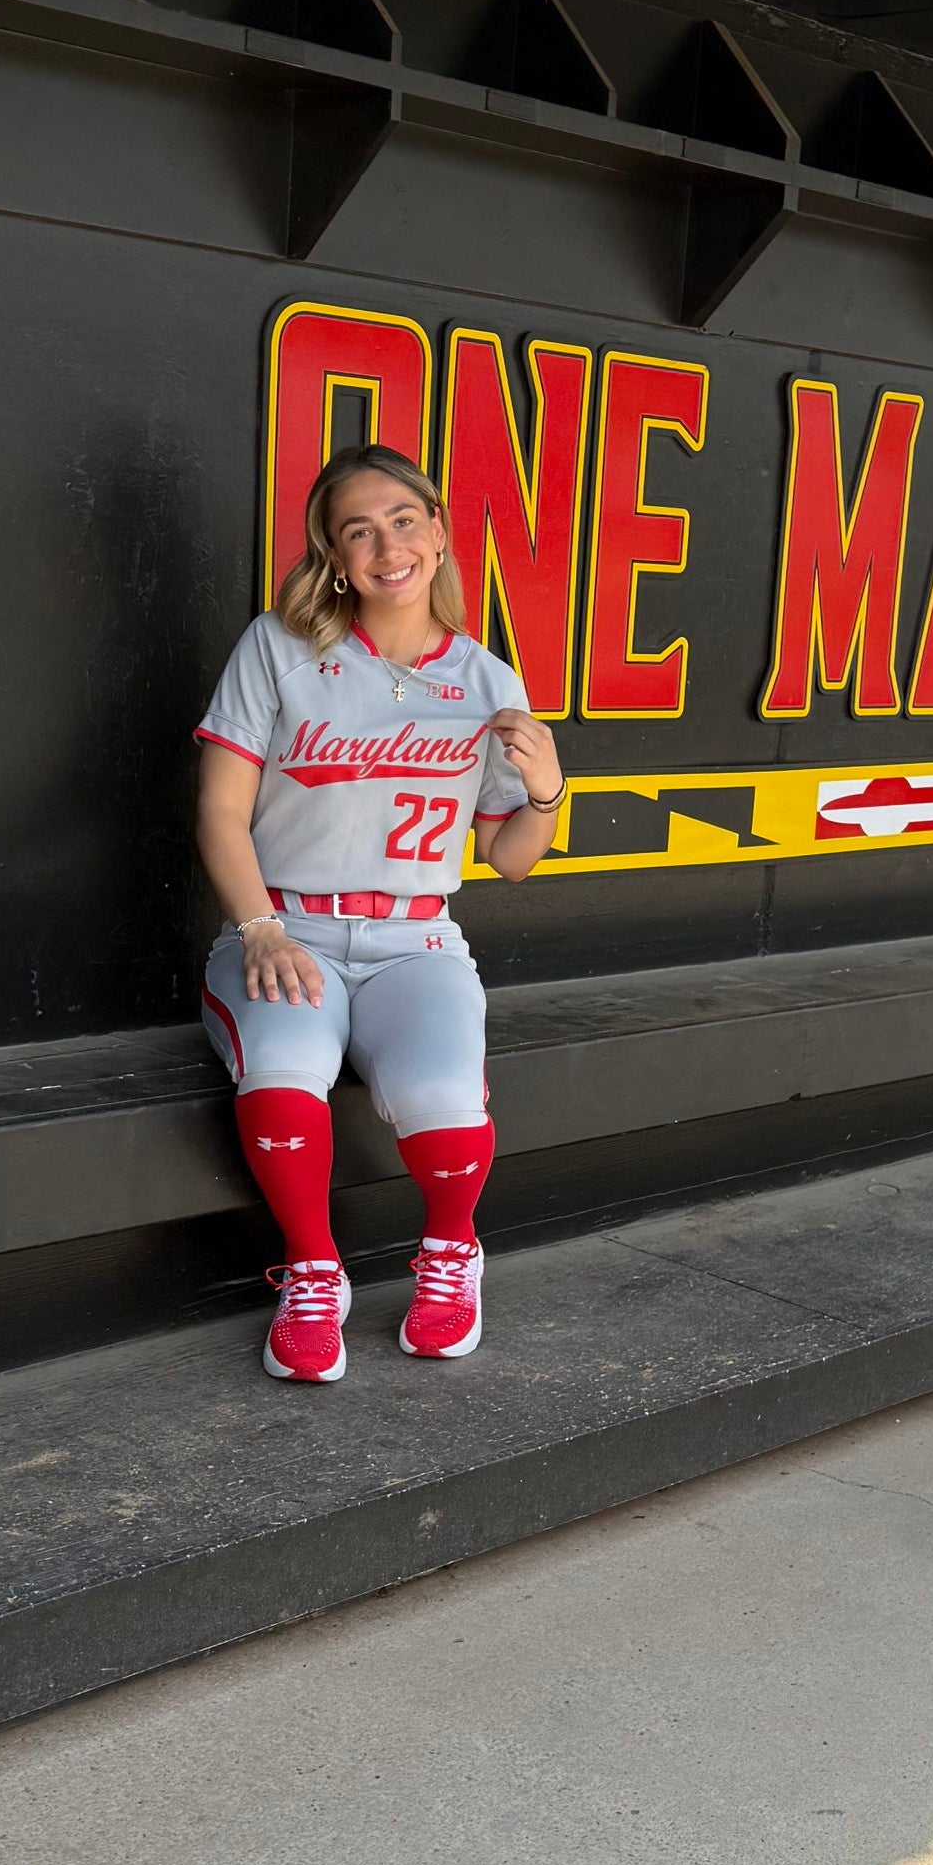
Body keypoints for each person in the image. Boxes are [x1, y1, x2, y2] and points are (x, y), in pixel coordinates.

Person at [194, 443, 566, 1382]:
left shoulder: (487, 679)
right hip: (287, 927)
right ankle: (313, 1273)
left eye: (403, 521)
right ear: (333, 554)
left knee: (443, 1100)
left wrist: (549, 790)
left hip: (415, 939)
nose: (387, 547)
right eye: (357, 531)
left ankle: (451, 1252)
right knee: (283, 1074)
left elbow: (510, 858)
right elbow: (220, 813)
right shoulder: (279, 646)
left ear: (437, 532)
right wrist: (260, 929)